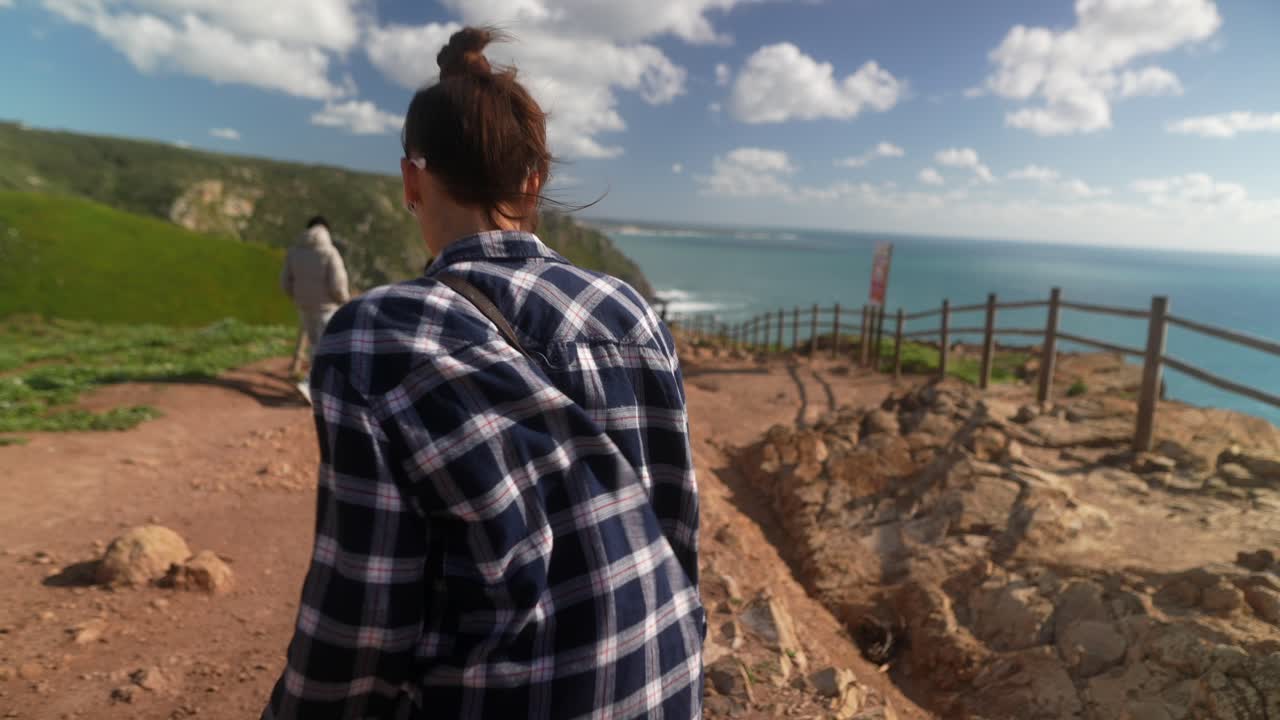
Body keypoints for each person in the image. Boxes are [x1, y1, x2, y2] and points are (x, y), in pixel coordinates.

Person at [263, 26, 703, 720]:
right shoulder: (631, 311)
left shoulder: (375, 337)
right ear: (534, 180)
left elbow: (360, 629)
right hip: (664, 686)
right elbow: (676, 528)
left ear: (412, 179)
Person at [280, 215, 350, 398]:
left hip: (305, 307)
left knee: (315, 346)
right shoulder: (329, 253)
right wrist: (344, 301)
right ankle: (311, 385)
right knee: (327, 348)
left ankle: (315, 384)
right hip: (327, 308)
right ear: (326, 230)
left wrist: (299, 297)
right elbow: (338, 285)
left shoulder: (294, 251)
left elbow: (285, 283)